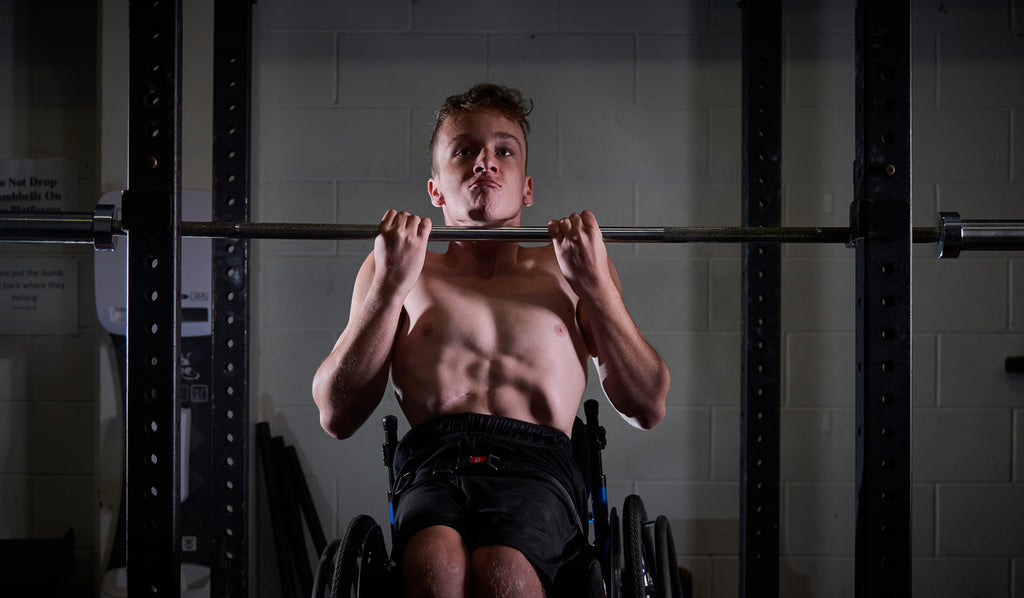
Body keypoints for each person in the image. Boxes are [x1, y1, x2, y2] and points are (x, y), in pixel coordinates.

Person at [312, 83, 670, 598]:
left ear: (527, 187)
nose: (486, 162)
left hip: (539, 466)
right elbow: (336, 415)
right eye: (464, 150)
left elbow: (647, 404)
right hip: (433, 464)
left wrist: (595, 287)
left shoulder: (570, 270)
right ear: (435, 190)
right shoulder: (399, 272)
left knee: (504, 567)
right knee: (433, 563)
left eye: (504, 150)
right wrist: (388, 289)